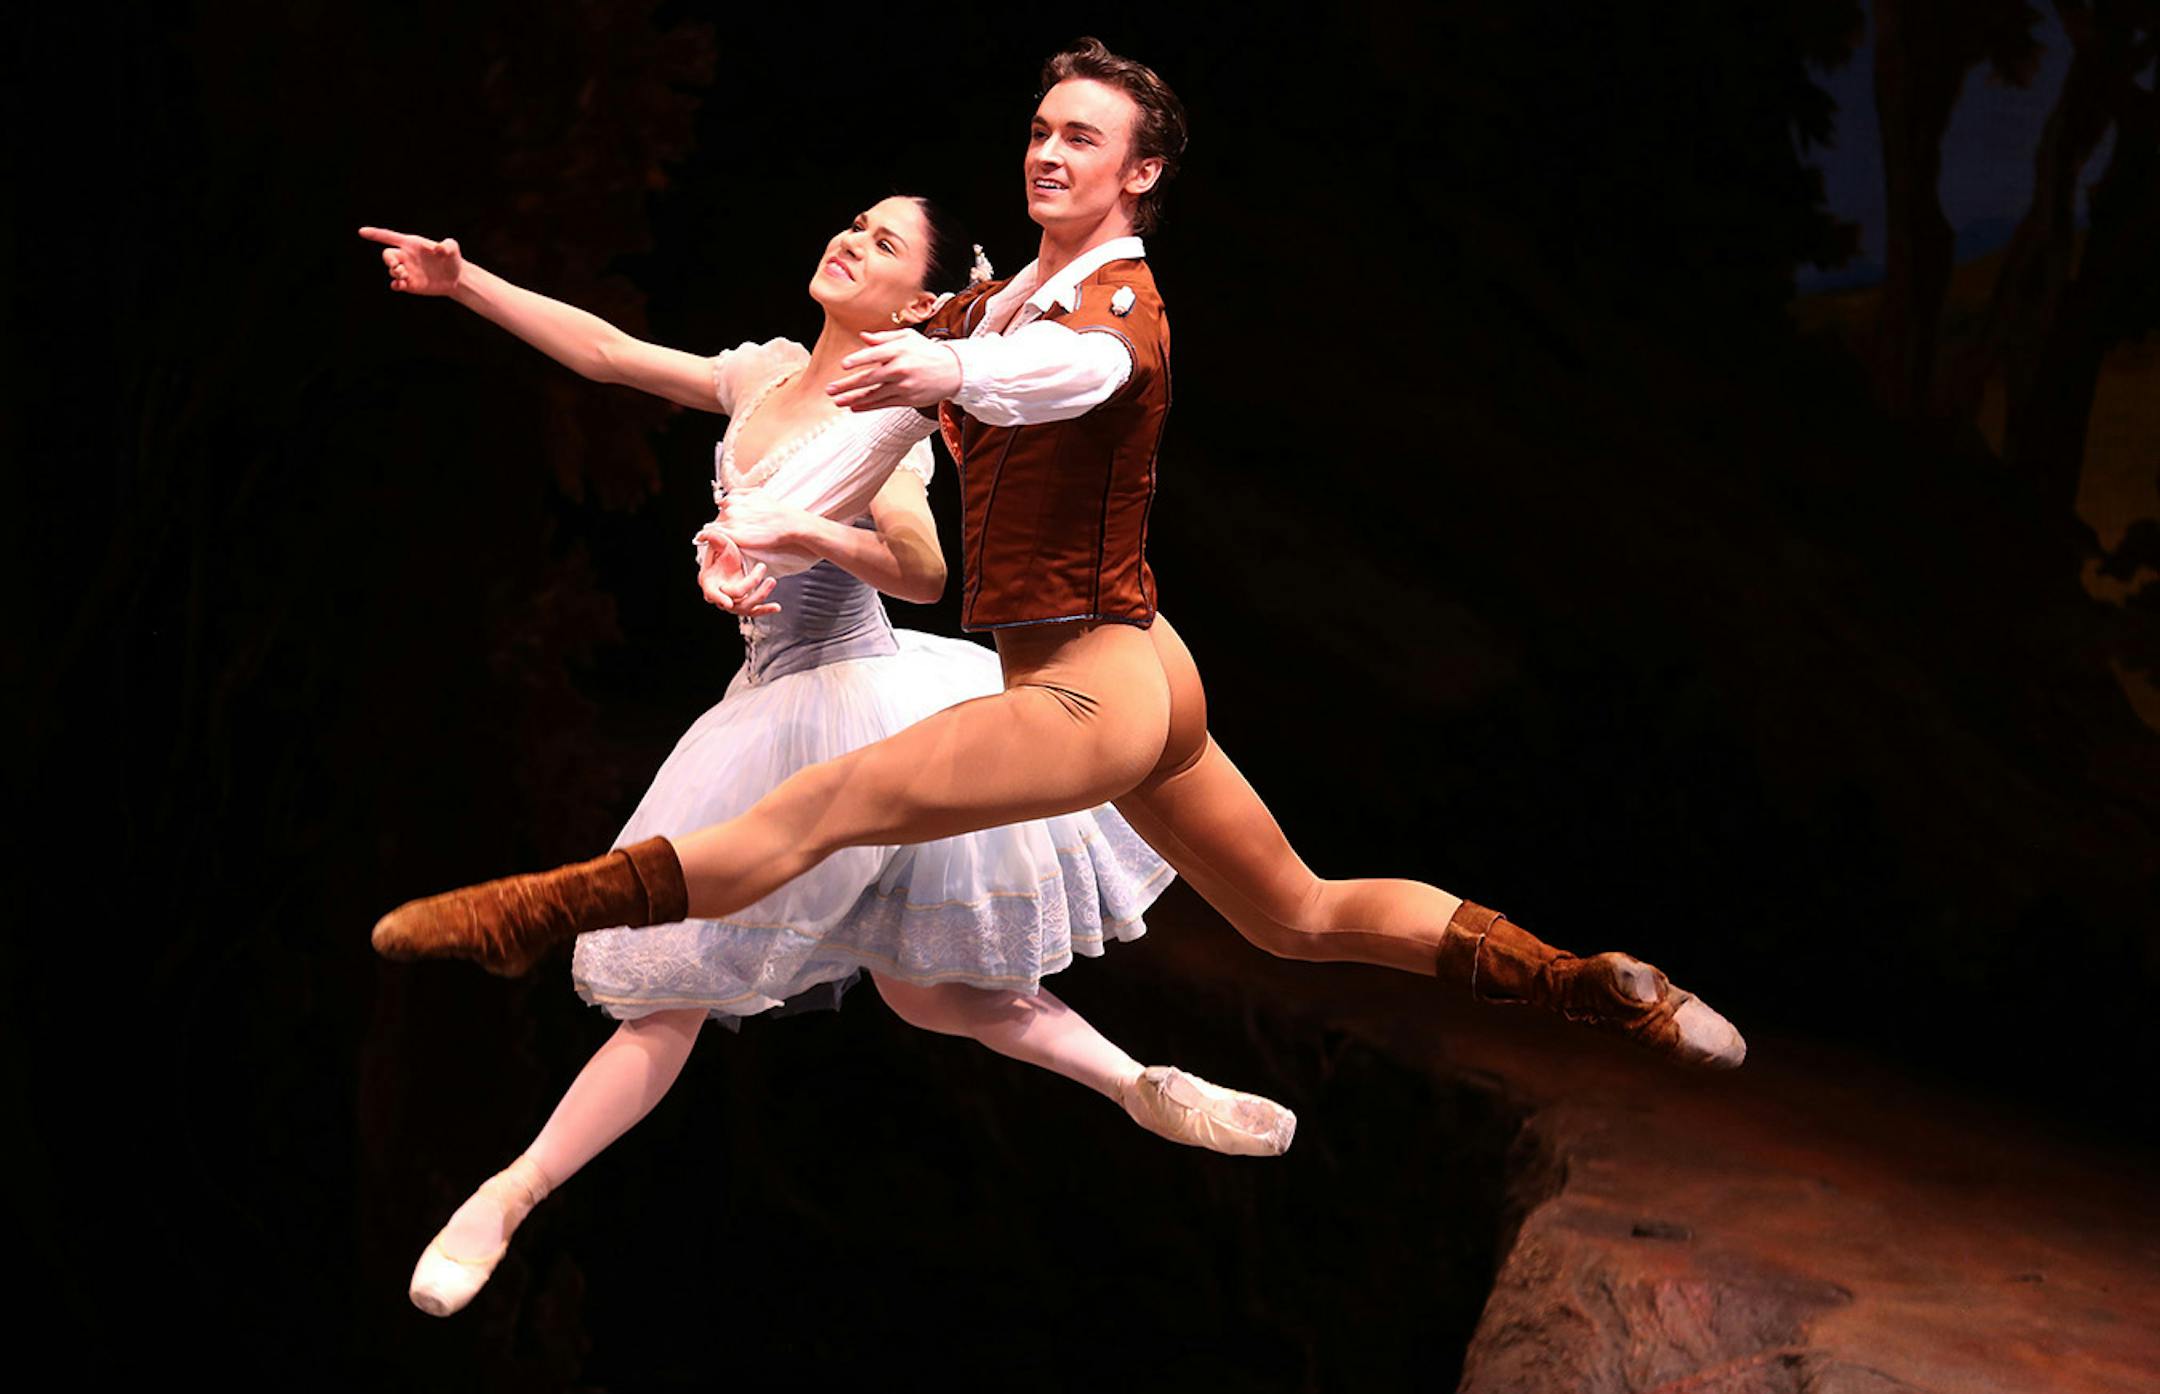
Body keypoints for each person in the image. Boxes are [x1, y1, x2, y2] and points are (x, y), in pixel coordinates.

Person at [374, 38, 1745, 1094]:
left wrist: (955, 373)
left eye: (1081, 137)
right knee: (1298, 912)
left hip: (1093, 686)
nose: (1048, 152)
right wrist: (763, 522)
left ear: (1139, 171)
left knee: (834, 798)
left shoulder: (1112, 311)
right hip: (1147, 664)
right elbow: (727, 394)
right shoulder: (989, 303)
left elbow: (1072, 376)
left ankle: (534, 909)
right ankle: (1589, 982)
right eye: (1040, 130)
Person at [360, 191, 1297, 1317]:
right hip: (763, 703)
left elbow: (924, 572)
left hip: (859, 702)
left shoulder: (889, 421)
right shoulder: (763, 373)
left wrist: (798, 531)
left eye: (884, 242)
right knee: (897, 988)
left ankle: (506, 1195)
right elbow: (608, 353)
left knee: (786, 987)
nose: (851, 240)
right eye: (854, 223)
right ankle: (1136, 1081)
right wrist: (465, 281)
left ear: (918, 302)